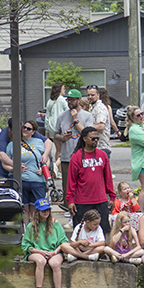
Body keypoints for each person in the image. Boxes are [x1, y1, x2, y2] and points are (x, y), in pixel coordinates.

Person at [66, 126, 115, 233]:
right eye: (93, 138)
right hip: (82, 201)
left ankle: (102, 249)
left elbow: (108, 178)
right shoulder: (76, 156)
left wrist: (112, 196)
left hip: (101, 200)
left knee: (104, 230)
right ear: (85, 139)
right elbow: (71, 181)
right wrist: (70, 200)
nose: (96, 140)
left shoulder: (102, 155)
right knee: (81, 231)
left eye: (97, 138)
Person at [22, 198, 69, 288]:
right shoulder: (31, 226)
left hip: (54, 251)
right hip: (37, 252)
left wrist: (55, 252)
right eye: (43, 210)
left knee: (55, 264)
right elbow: (26, 246)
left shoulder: (56, 224)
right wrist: (41, 252)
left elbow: (64, 242)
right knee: (40, 261)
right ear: (37, 211)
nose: (46, 212)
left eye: (47, 210)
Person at [54, 89, 93, 218]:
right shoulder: (61, 116)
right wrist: (62, 138)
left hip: (83, 156)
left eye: (72, 99)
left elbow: (87, 134)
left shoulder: (87, 116)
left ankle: (83, 208)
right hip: (66, 156)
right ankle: (68, 208)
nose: (69, 102)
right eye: (68, 99)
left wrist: (76, 120)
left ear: (78, 100)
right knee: (67, 185)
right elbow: (55, 135)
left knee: (83, 183)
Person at [5, 120, 46, 221]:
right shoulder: (12, 144)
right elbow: (5, 163)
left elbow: (46, 160)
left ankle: (36, 232)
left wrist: (43, 169)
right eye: (24, 127)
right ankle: (26, 233)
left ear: (33, 132)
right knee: (24, 209)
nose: (25, 130)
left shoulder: (39, 142)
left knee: (37, 210)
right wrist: (13, 169)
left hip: (37, 180)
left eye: (29, 129)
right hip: (21, 180)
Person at [46, 83, 67, 173]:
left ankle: (58, 169)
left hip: (51, 128)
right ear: (59, 90)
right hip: (60, 128)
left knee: (58, 149)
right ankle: (57, 166)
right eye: (63, 88)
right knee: (64, 149)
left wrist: (47, 130)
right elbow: (67, 112)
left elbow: (47, 116)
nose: (64, 90)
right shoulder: (62, 100)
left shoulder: (50, 101)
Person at [87, 84, 112, 159]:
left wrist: (85, 129)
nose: (90, 97)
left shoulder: (100, 108)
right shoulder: (92, 107)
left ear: (98, 95)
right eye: (88, 95)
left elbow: (101, 126)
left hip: (102, 147)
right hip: (94, 147)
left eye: (92, 95)